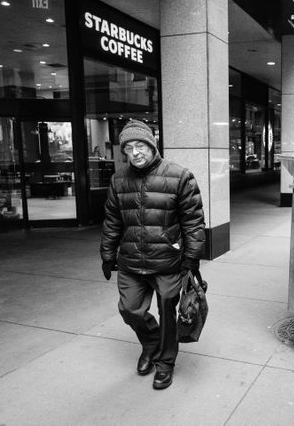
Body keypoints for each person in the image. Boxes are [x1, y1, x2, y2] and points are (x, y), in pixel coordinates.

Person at [100, 119, 205, 390]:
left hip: (167, 261)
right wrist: (107, 254)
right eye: (129, 148)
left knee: (168, 311)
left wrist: (191, 259)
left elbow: (193, 223)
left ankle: (165, 362)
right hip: (131, 260)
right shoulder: (118, 180)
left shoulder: (180, 176)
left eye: (140, 145)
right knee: (129, 309)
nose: (135, 152)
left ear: (152, 144)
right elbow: (112, 221)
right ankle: (150, 343)